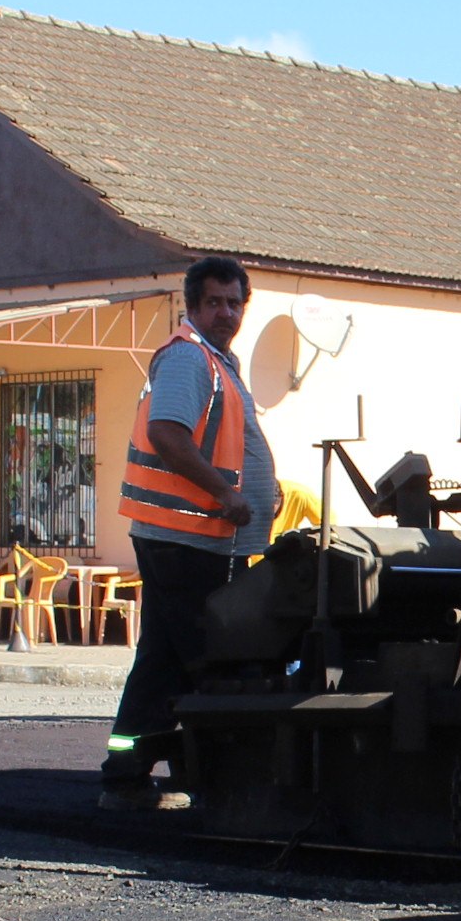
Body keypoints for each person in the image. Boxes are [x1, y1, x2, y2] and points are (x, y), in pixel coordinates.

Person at [101, 254, 278, 809]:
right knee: (202, 658)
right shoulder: (189, 360)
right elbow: (168, 435)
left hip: (193, 538)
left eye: (234, 302)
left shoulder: (219, 363)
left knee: (165, 656)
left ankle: (137, 772)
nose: (226, 312)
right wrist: (226, 495)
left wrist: (257, 488)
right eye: (215, 302)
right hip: (186, 538)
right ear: (193, 306)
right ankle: (172, 776)